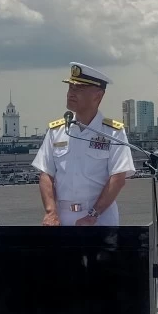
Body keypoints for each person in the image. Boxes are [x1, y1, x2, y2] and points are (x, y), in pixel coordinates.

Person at [32, 62, 135, 226]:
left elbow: (117, 178)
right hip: (61, 219)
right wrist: (51, 212)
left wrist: (93, 214)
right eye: (70, 88)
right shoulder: (57, 131)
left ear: (98, 96)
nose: (71, 93)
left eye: (78, 89)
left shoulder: (113, 133)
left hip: (100, 219)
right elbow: (46, 174)